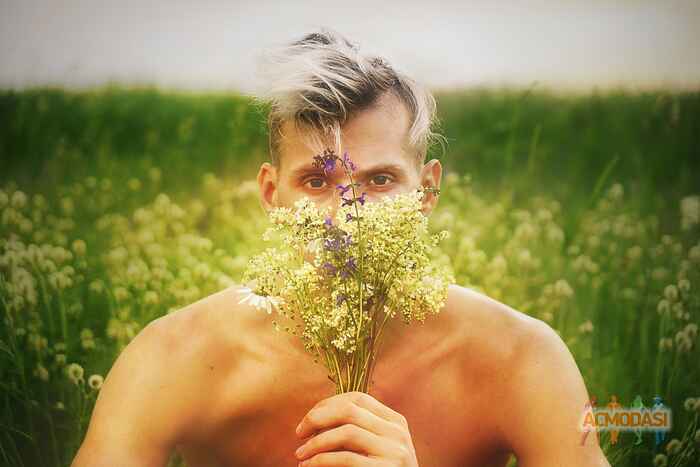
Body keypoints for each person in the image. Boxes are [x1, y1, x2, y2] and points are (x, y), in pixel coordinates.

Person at [71, 27, 611, 467]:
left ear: (426, 193)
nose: (346, 217)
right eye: (316, 181)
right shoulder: (175, 357)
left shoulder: (519, 357)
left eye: (378, 181)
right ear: (271, 194)